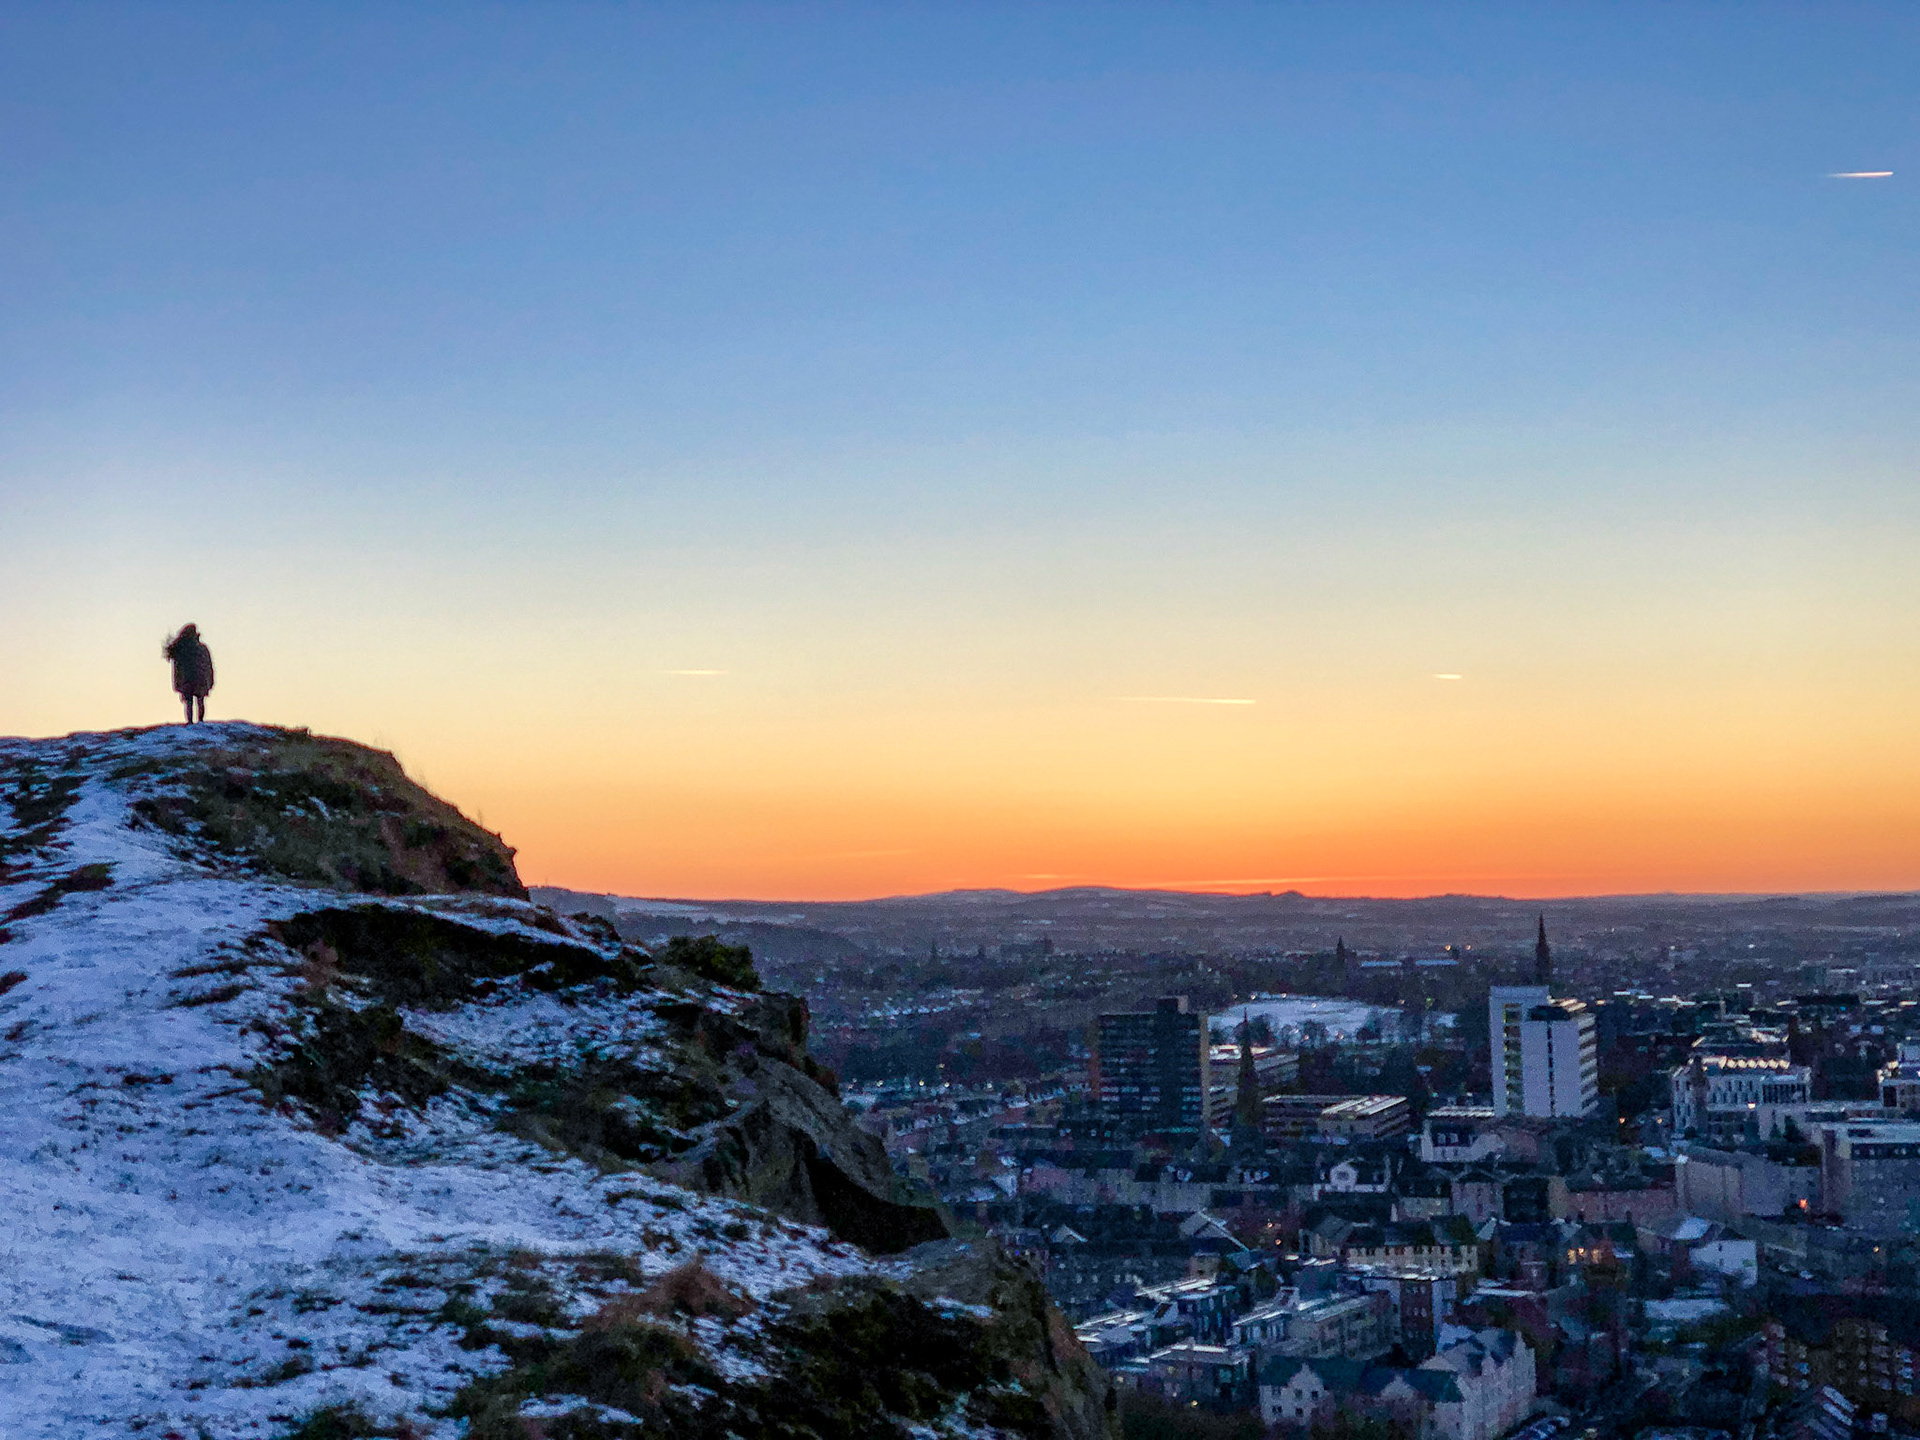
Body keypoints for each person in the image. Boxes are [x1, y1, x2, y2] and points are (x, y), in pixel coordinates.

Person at [163, 624, 215, 724]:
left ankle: (192, 722)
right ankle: (199, 721)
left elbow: (207, 665)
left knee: (191, 702)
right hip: (196, 680)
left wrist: (177, 683)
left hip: (190, 680)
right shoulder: (199, 649)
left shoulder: (180, 649)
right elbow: (208, 666)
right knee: (197, 701)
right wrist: (210, 680)